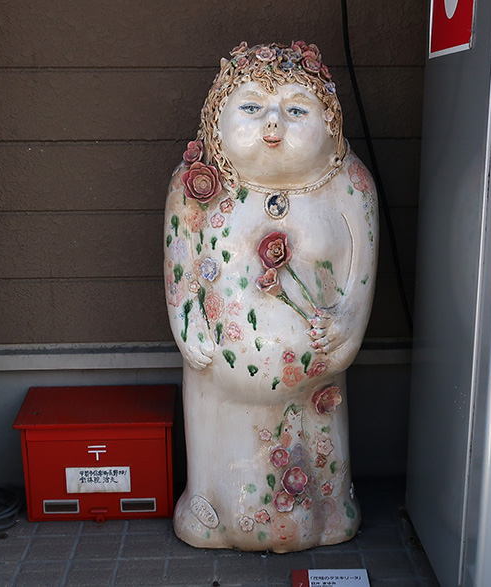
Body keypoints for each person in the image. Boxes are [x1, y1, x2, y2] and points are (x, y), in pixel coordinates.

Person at [163, 41, 378, 552]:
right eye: (253, 106)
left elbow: (360, 277)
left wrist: (347, 323)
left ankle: (328, 508)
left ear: (329, 122)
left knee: (316, 457)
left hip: (314, 376)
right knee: (218, 443)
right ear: (218, 116)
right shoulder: (196, 184)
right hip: (220, 374)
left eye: (296, 109)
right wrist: (186, 319)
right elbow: (181, 261)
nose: (273, 124)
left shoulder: (348, 185)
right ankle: (209, 503)